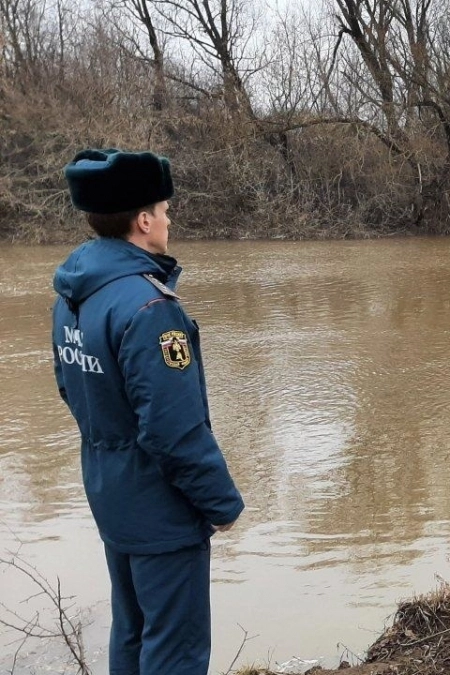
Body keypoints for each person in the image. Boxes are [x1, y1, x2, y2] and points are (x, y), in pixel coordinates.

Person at [51, 149, 245, 675]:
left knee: (133, 632)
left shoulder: (74, 294)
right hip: (161, 509)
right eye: (163, 209)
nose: (168, 219)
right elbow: (173, 432)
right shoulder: (150, 309)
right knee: (175, 648)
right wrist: (222, 504)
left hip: (109, 491)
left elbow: (72, 391)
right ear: (142, 221)